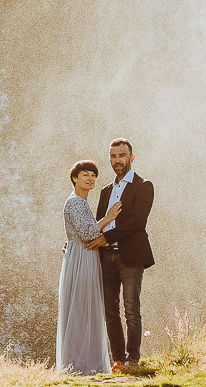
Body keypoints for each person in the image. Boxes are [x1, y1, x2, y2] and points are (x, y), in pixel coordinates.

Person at [95, 138, 155, 372]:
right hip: (105, 257)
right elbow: (97, 224)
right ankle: (118, 360)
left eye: (121, 155)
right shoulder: (105, 190)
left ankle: (133, 359)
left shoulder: (144, 185)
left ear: (131, 158)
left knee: (131, 309)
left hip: (129, 256)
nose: (117, 160)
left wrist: (107, 238)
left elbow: (136, 223)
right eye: (113, 156)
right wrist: (76, 244)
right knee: (110, 311)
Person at [57, 160, 117, 374]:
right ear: (75, 178)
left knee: (83, 308)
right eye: (85, 175)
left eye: (93, 175)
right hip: (82, 257)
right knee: (82, 308)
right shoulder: (76, 202)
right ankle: (80, 365)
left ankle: (83, 362)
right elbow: (89, 233)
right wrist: (108, 218)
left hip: (82, 255)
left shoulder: (80, 202)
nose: (90, 178)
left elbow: (83, 231)